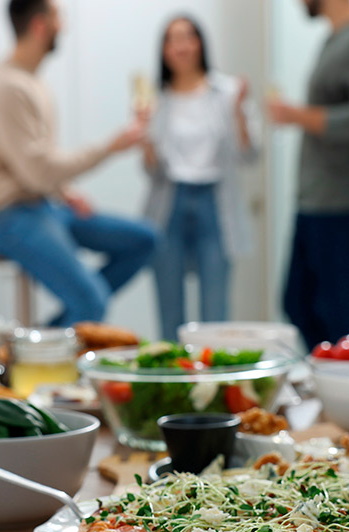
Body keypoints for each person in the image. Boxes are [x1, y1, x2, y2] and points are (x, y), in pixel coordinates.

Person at [0, 0, 156, 327]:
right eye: (58, 17)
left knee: (143, 240)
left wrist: (64, 191)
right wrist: (110, 147)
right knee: (90, 302)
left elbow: (30, 163)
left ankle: (52, 335)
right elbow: (37, 170)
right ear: (39, 25)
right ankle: (36, 356)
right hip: (0, 212)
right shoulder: (7, 87)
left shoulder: (34, 84)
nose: (63, 26)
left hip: (39, 204)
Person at [267, 0, 349, 350]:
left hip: (346, 199)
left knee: (340, 312)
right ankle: (332, 383)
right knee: (299, 303)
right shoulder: (334, 40)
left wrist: (300, 116)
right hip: (317, 197)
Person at [142, 16, 258, 341]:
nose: (181, 46)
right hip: (169, 203)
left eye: (188, 37)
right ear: (164, 50)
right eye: (172, 39)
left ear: (201, 43)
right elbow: (152, 170)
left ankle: (213, 385)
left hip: (215, 201)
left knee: (215, 310)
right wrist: (143, 138)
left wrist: (239, 114)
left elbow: (251, 154)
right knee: (169, 309)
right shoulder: (155, 99)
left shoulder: (227, 91)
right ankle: (170, 382)